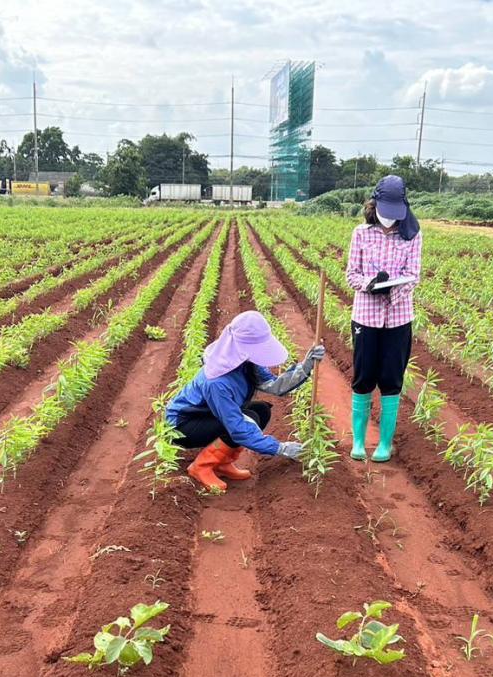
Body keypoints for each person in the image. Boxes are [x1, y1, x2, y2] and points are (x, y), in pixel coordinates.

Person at [166, 310, 325, 493]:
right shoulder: (216, 381)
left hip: (208, 415)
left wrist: (305, 367)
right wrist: (281, 448)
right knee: (246, 420)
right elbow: (237, 426)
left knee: (261, 411)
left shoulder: (245, 361)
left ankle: (222, 463)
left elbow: (274, 386)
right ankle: (201, 467)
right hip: (183, 425)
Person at [345, 174, 423, 462]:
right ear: (374, 204)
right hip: (365, 316)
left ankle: (385, 443)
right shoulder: (361, 233)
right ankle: (358, 441)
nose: (389, 219)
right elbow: (351, 274)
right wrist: (370, 285)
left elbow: (413, 275)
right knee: (363, 376)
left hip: (399, 317)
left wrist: (390, 292)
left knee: (391, 378)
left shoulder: (413, 234)